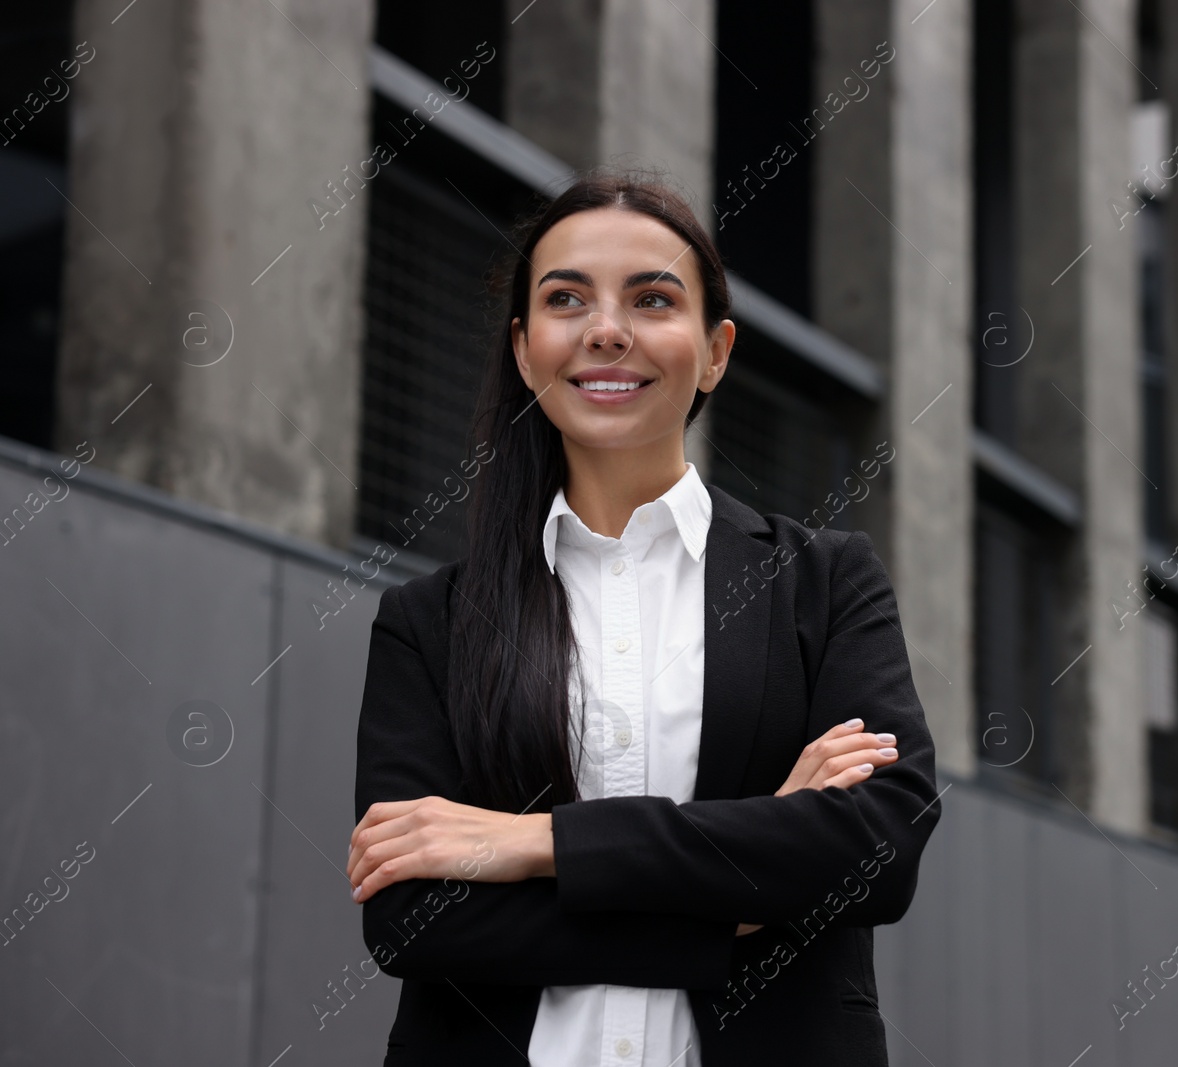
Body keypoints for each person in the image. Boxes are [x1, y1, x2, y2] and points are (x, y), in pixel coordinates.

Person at [344, 170, 941, 1066]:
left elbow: (875, 848)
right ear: (523, 346)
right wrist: (745, 889)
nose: (607, 330)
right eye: (566, 298)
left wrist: (530, 843)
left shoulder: (822, 585)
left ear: (715, 351)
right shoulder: (429, 622)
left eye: (653, 298)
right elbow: (412, 919)